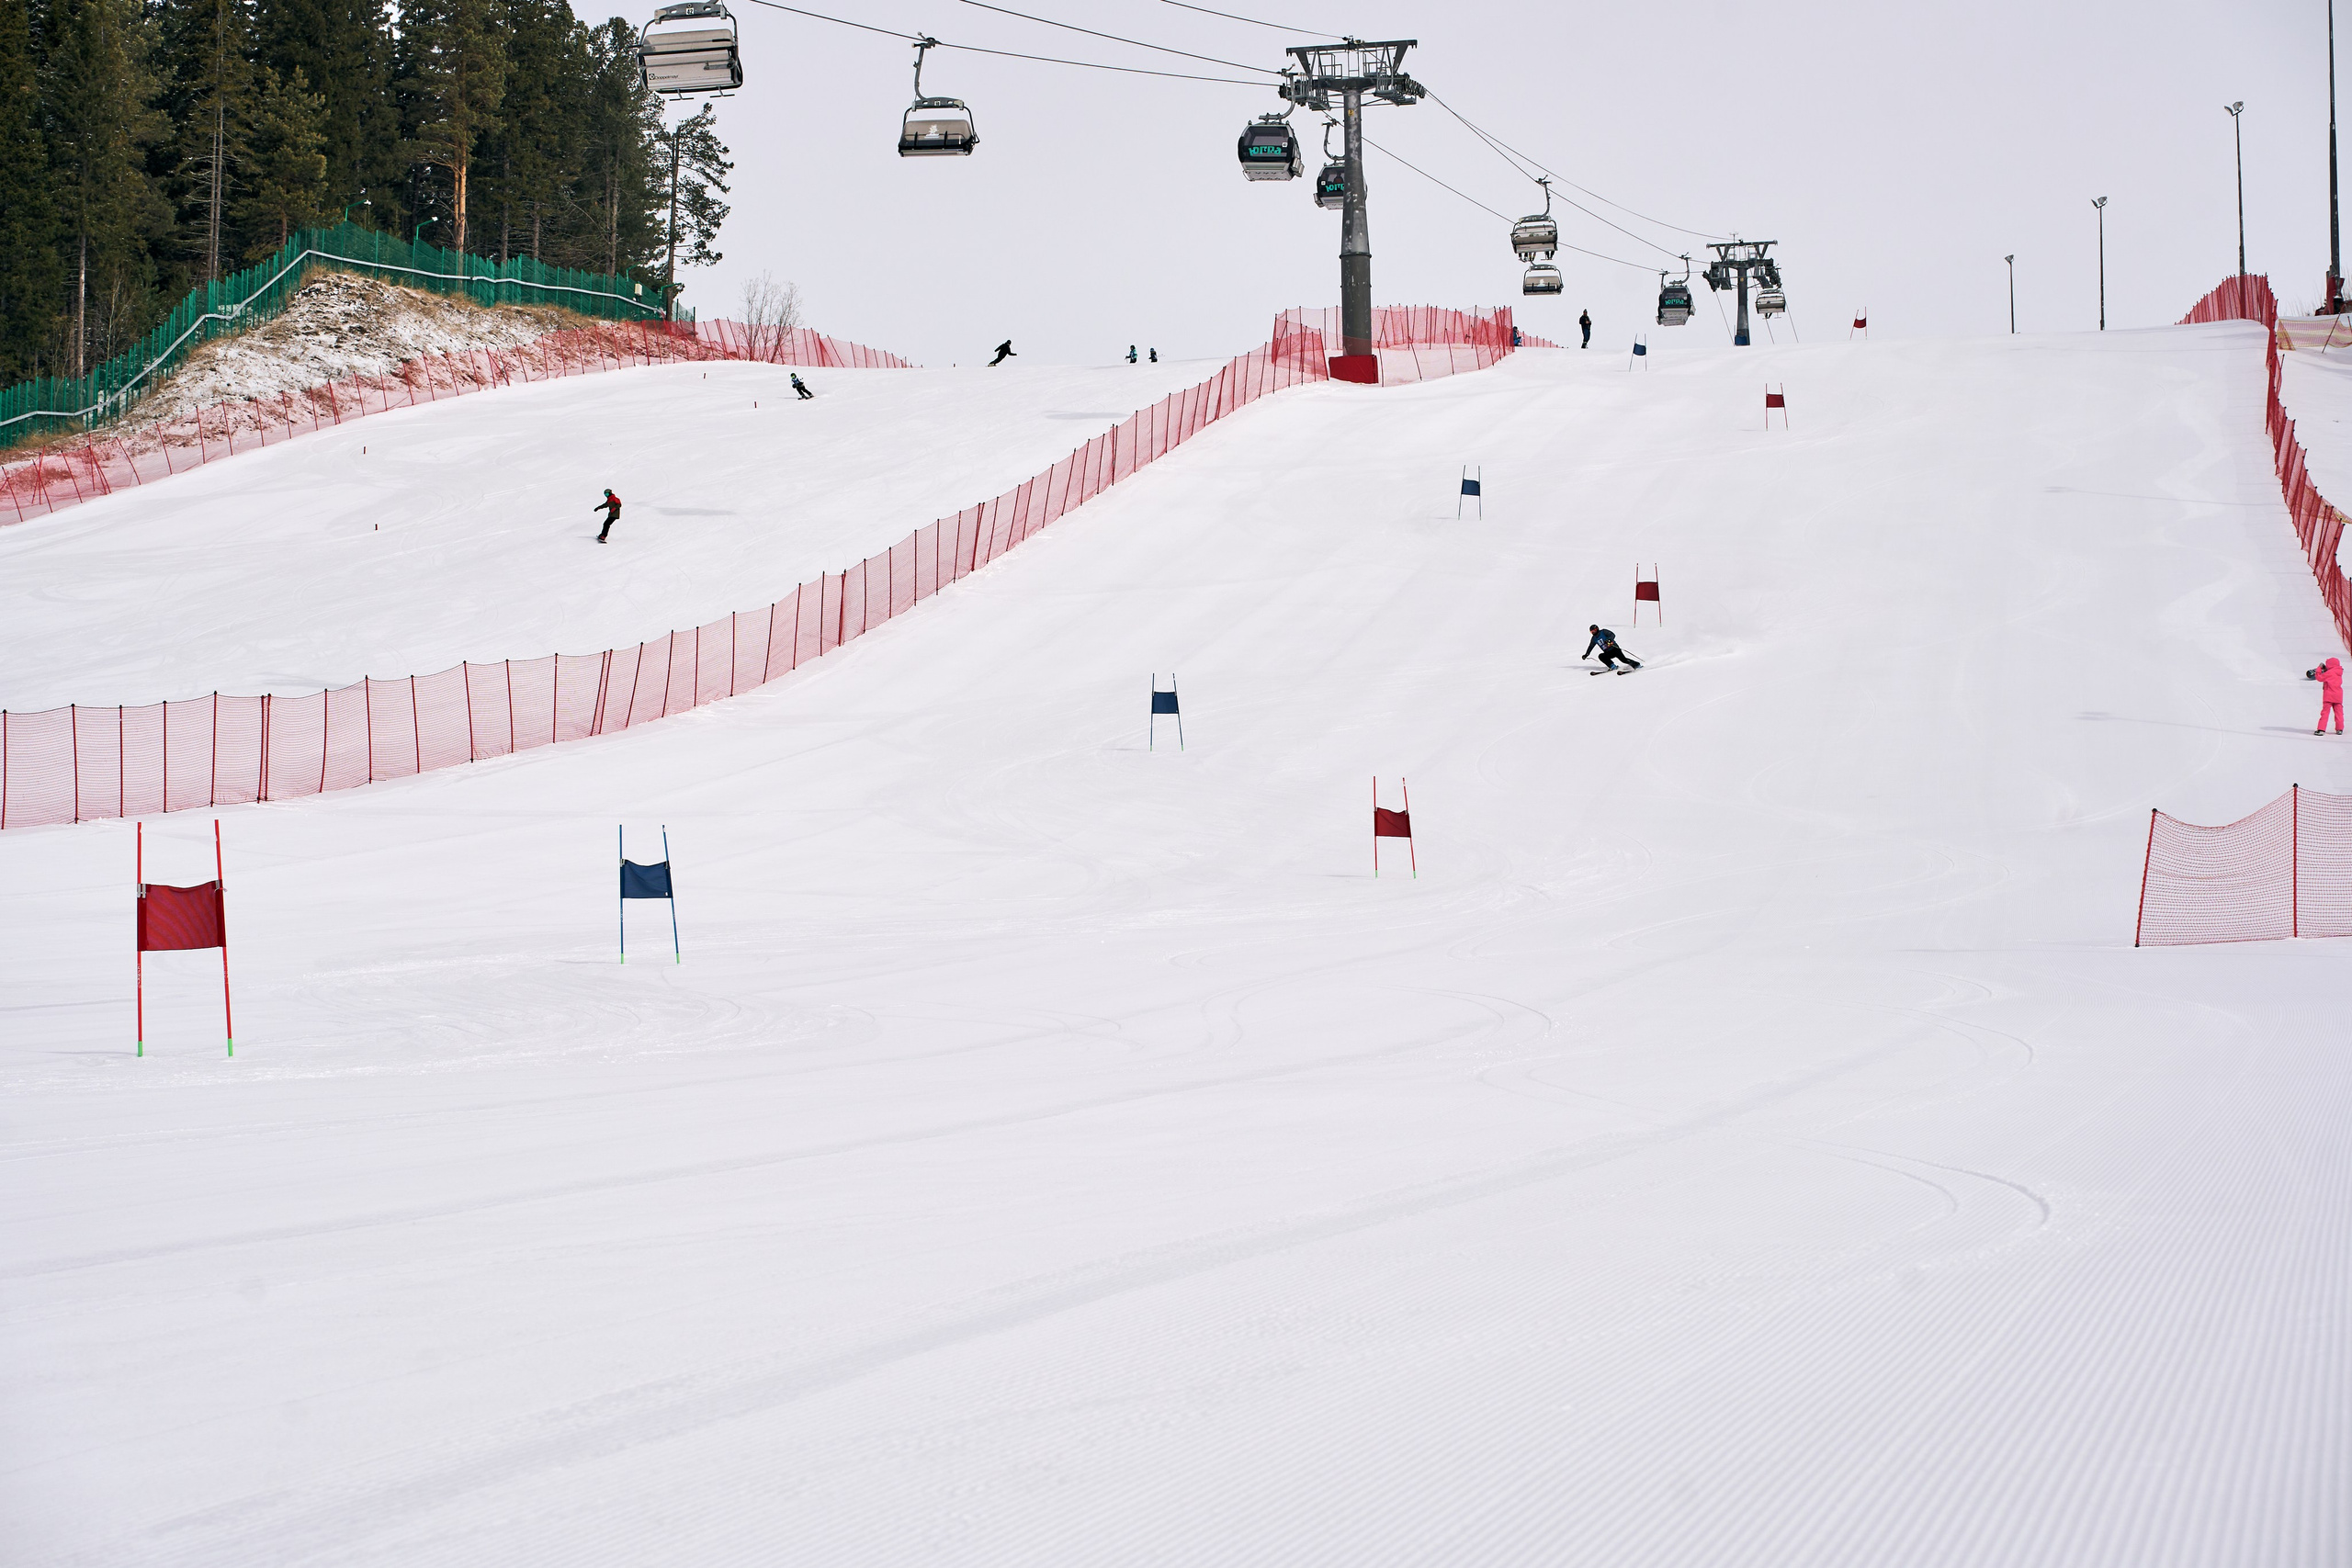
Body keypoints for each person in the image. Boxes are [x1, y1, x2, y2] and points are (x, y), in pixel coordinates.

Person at [2309, 655, 2345, 734]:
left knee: (2325, 713)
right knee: (2339, 713)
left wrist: (2319, 669)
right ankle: (2339, 729)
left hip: (2329, 696)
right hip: (2338, 696)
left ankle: (2321, 729)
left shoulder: (2330, 673)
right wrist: (2326, 670)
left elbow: (2319, 678)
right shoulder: (2339, 672)